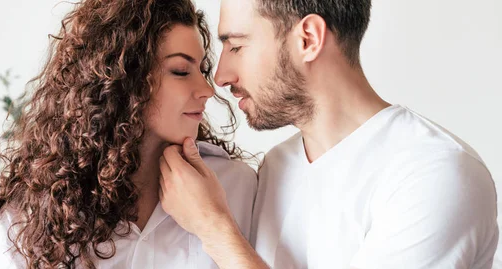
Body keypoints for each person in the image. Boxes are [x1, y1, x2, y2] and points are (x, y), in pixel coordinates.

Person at [158, 0, 499, 268]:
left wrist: (214, 229)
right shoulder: (277, 167)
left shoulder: (433, 174)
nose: (220, 77)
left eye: (236, 46)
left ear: (308, 39)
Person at [0, 0, 257, 268]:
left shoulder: (236, 186)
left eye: (202, 69)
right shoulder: (26, 222)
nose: (207, 90)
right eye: (181, 71)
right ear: (124, 81)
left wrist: (214, 226)